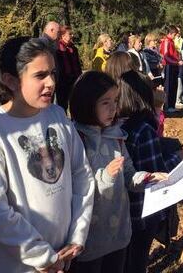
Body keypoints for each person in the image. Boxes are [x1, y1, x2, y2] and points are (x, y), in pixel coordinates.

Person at [0, 37, 95, 272]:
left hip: (63, 257)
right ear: (11, 80)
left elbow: (81, 174)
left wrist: (78, 235)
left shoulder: (57, 116)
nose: (51, 83)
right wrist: (43, 257)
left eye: (53, 73)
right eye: (40, 76)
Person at [68, 71, 166, 273]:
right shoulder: (76, 139)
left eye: (115, 100)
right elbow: (75, 189)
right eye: (105, 103)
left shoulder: (116, 136)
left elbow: (128, 172)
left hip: (119, 233)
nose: (114, 108)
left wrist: (145, 178)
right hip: (89, 238)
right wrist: (106, 176)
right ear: (87, 103)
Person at [117, 70, 183, 273]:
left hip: (120, 212)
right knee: (137, 261)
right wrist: (178, 158)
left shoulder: (115, 124)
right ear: (143, 96)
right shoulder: (143, 131)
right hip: (142, 213)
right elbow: (156, 174)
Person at [55, 25, 82, 112]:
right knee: (62, 105)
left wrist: (80, 77)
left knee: (75, 103)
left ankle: (75, 122)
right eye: (70, 34)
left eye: (72, 34)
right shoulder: (57, 48)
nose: (72, 36)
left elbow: (78, 65)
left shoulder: (73, 48)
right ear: (63, 36)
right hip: (62, 82)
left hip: (74, 80)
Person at [159, 25, 183, 113]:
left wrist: (177, 61)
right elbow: (165, 56)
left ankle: (172, 106)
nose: (175, 36)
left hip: (174, 66)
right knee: (168, 87)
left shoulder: (171, 41)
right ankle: (167, 106)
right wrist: (176, 62)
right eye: (175, 34)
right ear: (171, 33)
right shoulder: (166, 41)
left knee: (173, 86)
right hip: (168, 67)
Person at [174, 27, 183, 106]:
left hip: (180, 61)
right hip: (173, 62)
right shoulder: (171, 40)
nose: (178, 32)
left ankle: (178, 99)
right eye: (177, 31)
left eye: (179, 31)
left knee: (180, 80)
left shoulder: (182, 40)